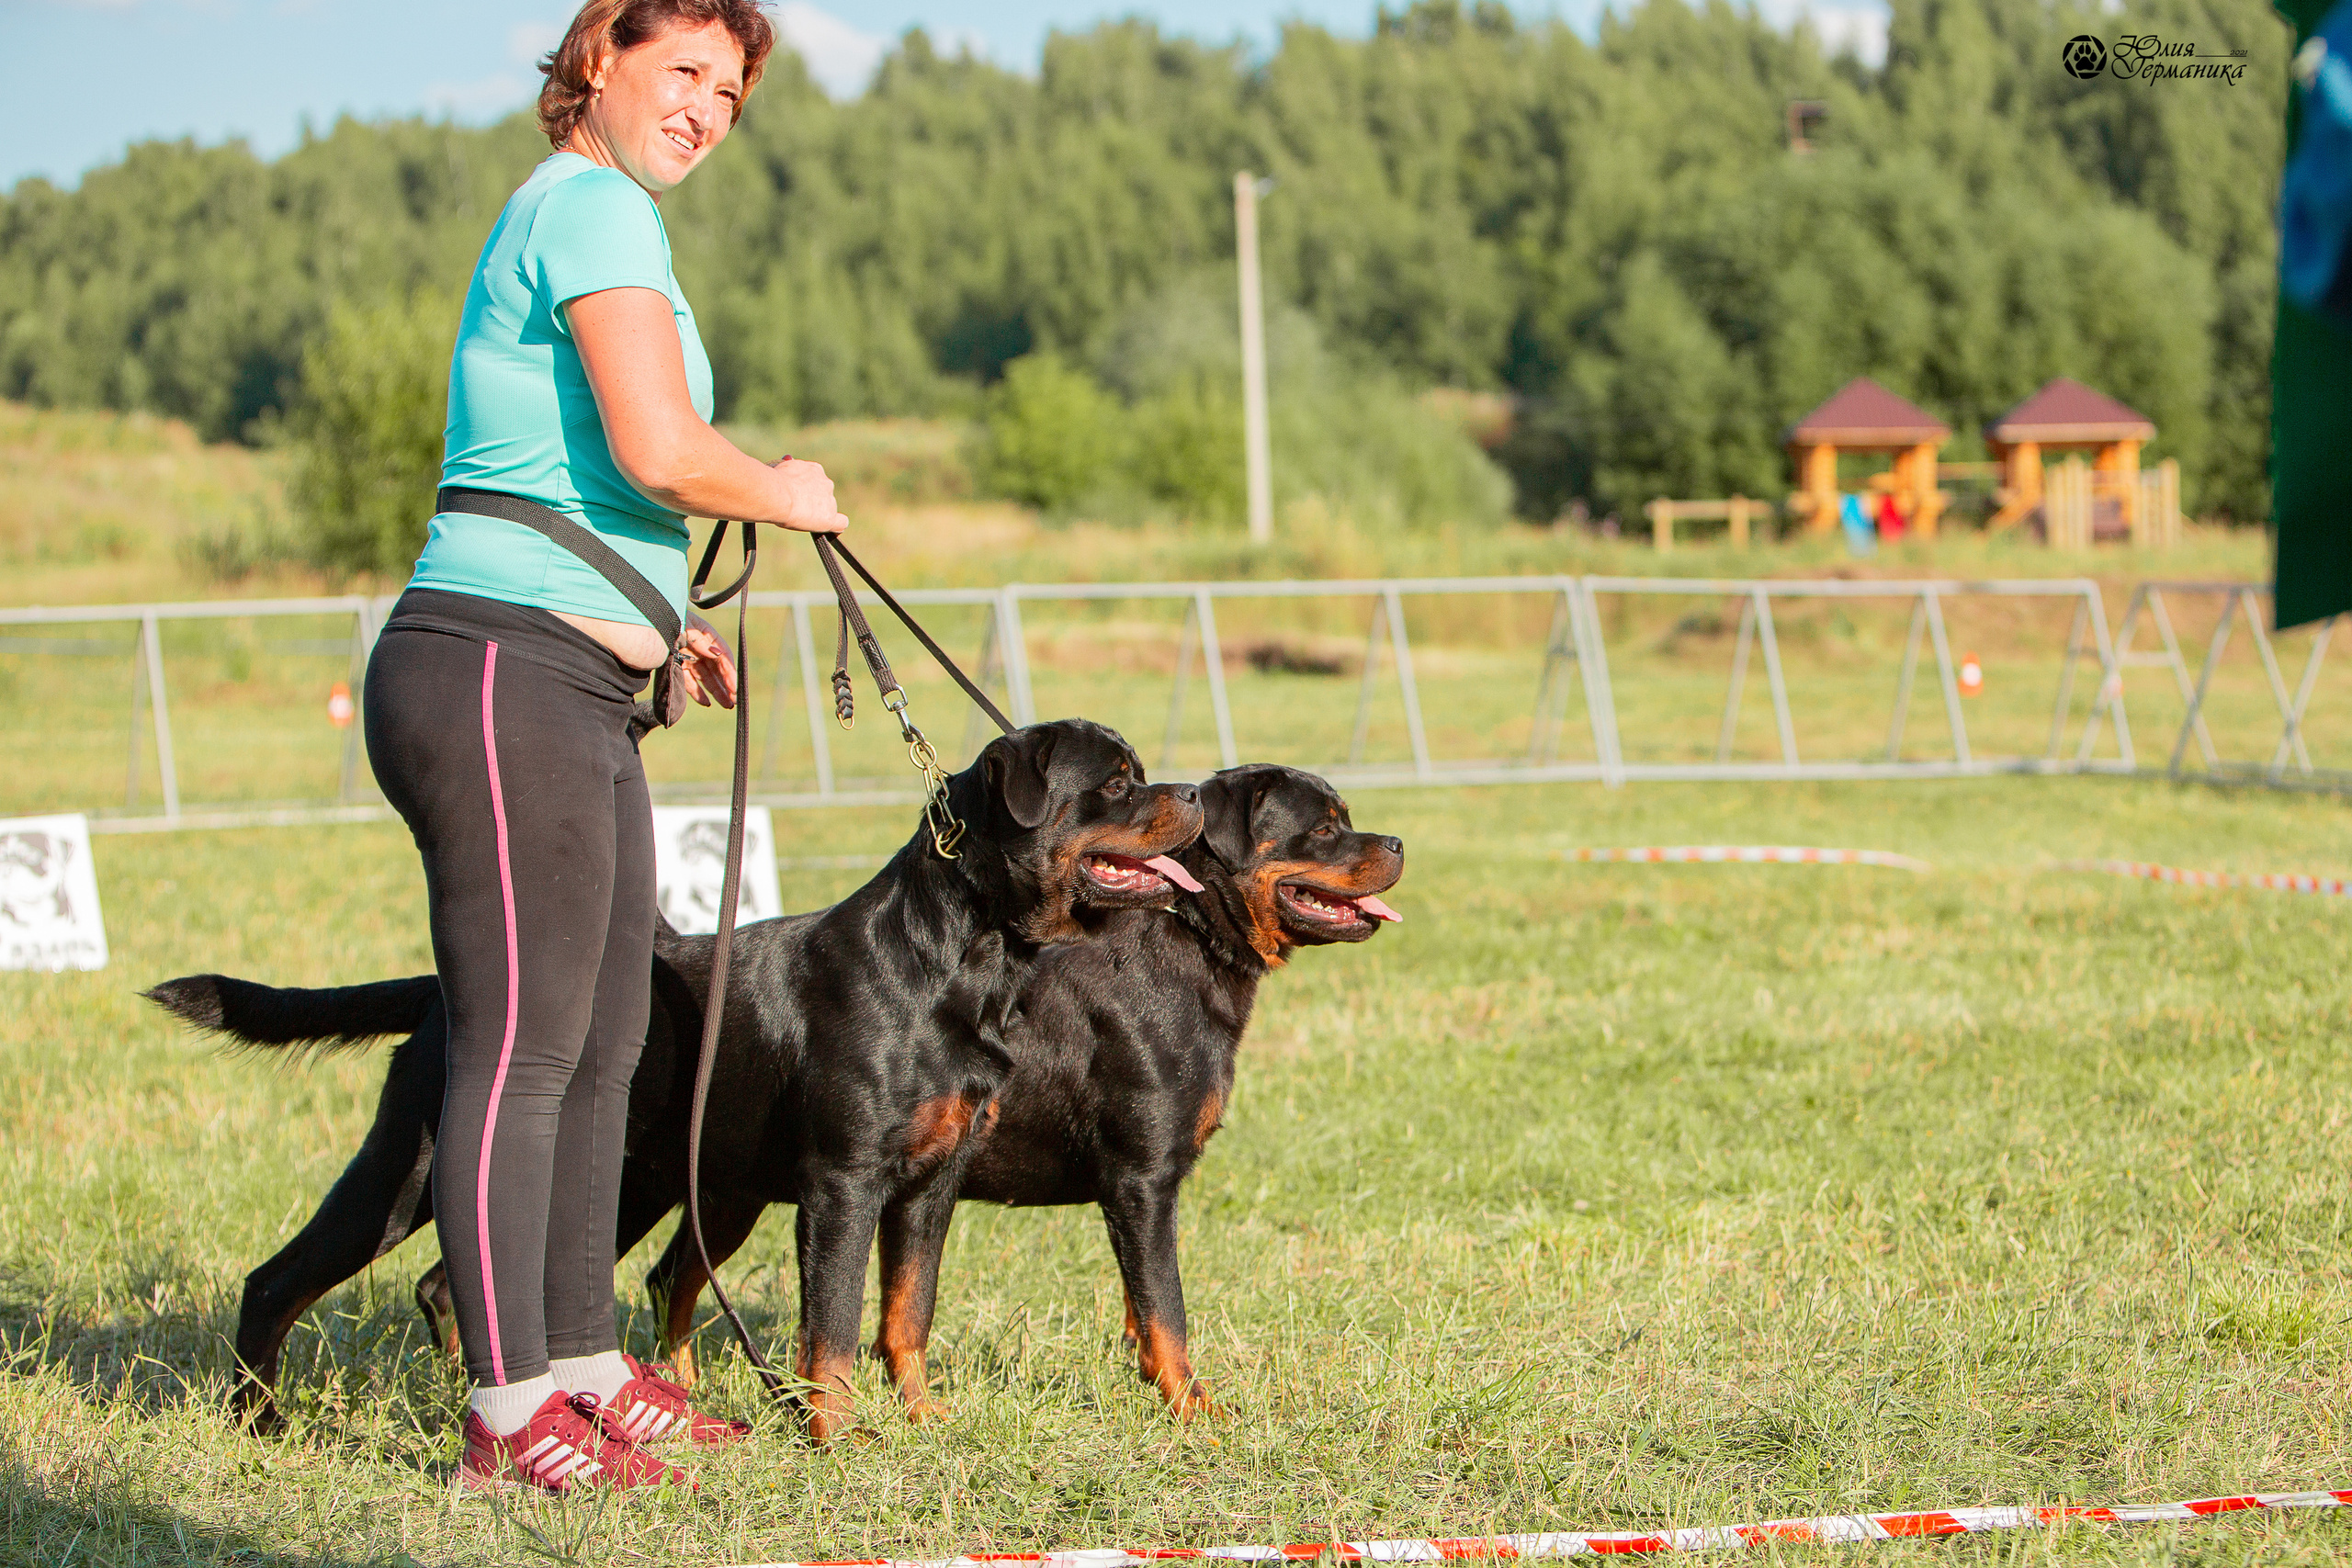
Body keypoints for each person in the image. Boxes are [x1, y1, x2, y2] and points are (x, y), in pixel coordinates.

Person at [360, 0, 847, 1495]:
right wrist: (783, 488)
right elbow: (654, 446)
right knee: (526, 1049)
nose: (707, 105)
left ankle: (582, 1366)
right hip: (497, 669)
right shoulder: (592, 209)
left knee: (612, 1042)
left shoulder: (599, 216)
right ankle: (508, 1417)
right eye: (682, 70)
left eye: (731, 89)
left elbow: (580, 472)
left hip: (574, 671)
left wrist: (657, 619)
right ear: (597, 61)